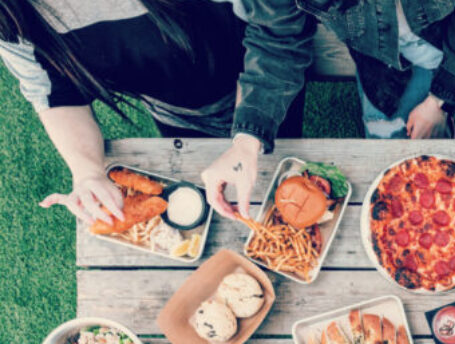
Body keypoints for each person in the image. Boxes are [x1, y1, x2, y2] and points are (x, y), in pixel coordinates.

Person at [0, 1, 314, 225]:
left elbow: (278, 31)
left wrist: (248, 137)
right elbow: (55, 92)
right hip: (174, 112)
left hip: (260, 83)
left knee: (281, 191)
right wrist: (87, 172)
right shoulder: (10, 14)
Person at [297, 0, 455, 142]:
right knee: (393, 178)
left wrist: (439, 100)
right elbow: (273, 34)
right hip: (385, 67)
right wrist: (260, 130)